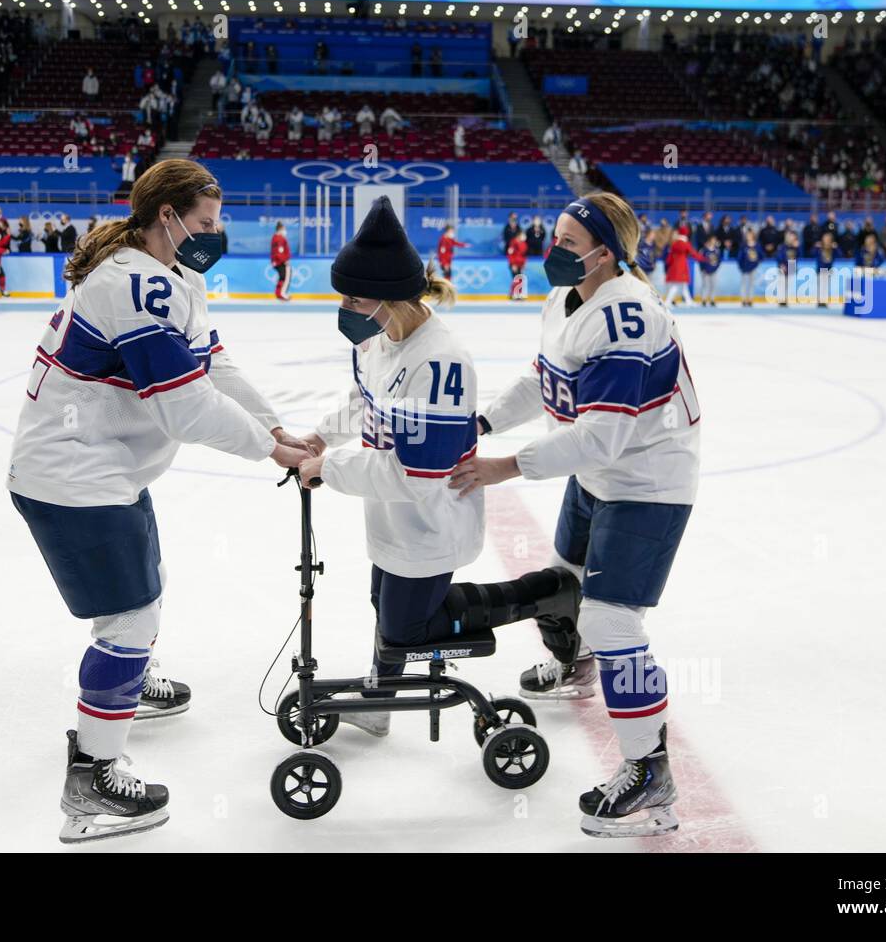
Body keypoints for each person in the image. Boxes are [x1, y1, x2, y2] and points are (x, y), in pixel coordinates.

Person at [5, 159, 313, 843]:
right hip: (74, 474)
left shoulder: (173, 275)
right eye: (204, 223)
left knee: (143, 594)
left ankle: (127, 688)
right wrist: (273, 452)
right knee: (130, 621)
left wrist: (273, 427)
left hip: (106, 469)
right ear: (166, 216)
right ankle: (93, 780)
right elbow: (185, 408)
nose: (214, 234)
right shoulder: (132, 281)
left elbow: (216, 368)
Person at [450, 192, 700, 839]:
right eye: (553, 236)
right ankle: (577, 663)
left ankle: (649, 770)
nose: (552, 248)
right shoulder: (565, 300)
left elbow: (602, 437)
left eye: (566, 241)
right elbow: (543, 381)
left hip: (647, 479)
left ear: (604, 252)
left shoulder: (629, 318)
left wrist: (505, 467)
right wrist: (482, 422)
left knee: (612, 616)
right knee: (565, 580)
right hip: (600, 472)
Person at [294, 197, 580, 737]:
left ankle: (543, 593)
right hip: (390, 514)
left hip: (430, 516)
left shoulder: (439, 362)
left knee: (408, 626)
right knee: (385, 606)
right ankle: (380, 702)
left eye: (353, 298)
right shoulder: (378, 337)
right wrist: (320, 437)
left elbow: (415, 476)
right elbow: (362, 400)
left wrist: (327, 469)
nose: (345, 308)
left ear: (388, 298)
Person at [661, 225, 701, 308]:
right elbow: (693, 253)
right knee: (676, 285)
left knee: (683, 285)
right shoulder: (685, 243)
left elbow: (670, 256)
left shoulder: (675, 243)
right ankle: (667, 301)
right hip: (681, 266)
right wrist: (703, 258)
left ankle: (688, 301)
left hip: (674, 266)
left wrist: (668, 265)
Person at [737, 229, 762, 307]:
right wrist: (741, 266)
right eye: (747, 235)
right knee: (744, 283)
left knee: (751, 284)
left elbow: (761, 255)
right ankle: (743, 299)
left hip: (753, 267)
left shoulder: (757, 245)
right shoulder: (743, 245)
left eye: (750, 235)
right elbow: (739, 257)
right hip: (744, 267)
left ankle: (750, 299)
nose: (749, 236)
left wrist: (756, 263)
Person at [776, 230, 801, 307]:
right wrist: (781, 264)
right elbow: (779, 256)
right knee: (782, 284)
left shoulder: (795, 247)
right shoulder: (782, 246)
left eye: (793, 237)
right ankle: (781, 300)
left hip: (791, 266)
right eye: (790, 236)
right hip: (783, 266)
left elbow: (799, 256)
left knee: (788, 284)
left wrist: (798, 248)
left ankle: (786, 299)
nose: (791, 238)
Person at [814, 231, 838, 308]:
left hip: (828, 269)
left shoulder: (832, 249)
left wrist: (836, 248)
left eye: (828, 239)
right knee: (821, 285)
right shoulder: (819, 248)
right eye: (825, 239)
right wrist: (816, 247)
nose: (826, 240)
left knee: (826, 286)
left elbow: (840, 255)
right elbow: (812, 253)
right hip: (821, 269)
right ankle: (820, 301)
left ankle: (824, 301)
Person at [697, 234, 721, 307]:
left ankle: (712, 299)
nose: (714, 241)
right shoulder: (703, 250)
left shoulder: (717, 250)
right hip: (705, 271)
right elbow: (700, 260)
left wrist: (715, 268)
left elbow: (719, 260)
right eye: (713, 240)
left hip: (713, 271)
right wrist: (702, 269)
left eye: (715, 240)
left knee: (713, 285)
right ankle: (704, 299)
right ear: (709, 240)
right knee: (705, 285)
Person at [270, 220, 291, 301]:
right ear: (280, 229)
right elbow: (279, 251)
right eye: (284, 229)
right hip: (280, 261)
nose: (285, 231)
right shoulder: (279, 238)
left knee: (282, 277)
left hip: (277, 261)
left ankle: (279, 293)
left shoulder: (275, 237)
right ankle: (281, 293)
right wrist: (284, 260)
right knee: (285, 277)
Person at [506, 228, 528, 300]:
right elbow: (510, 254)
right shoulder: (513, 243)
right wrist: (513, 264)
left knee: (520, 280)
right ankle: (513, 294)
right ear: (518, 235)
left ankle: (518, 295)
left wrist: (524, 264)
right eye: (522, 235)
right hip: (514, 264)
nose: (524, 236)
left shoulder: (524, 244)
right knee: (516, 279)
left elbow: (524, 255)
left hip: (520, 264)